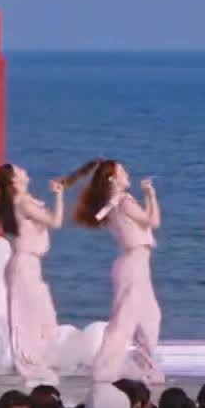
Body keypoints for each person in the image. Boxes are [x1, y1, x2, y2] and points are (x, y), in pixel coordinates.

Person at [71, 159, 165, 385]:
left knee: (150, 318)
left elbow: (149, 222)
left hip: (138, 265)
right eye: (123, 171)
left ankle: (144, 367)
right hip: (133, 265)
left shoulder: (116, 202)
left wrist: (149, 196)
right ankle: (105, 370)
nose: (127, 174)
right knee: (124, 321)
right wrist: (150, 195)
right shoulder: (123, 201)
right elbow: (152, 220)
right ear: (113, 179)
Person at [0, 163, 66, 386]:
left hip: (26, 265)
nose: (24, 171)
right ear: (15, 182)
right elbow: (56, 222)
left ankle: (33, 362)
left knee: (34, 315)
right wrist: (59, 195)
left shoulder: (18, 203)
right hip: (24, 265)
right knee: (29, 317)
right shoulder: (23, 204)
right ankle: (30, 365)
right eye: (20, 171)